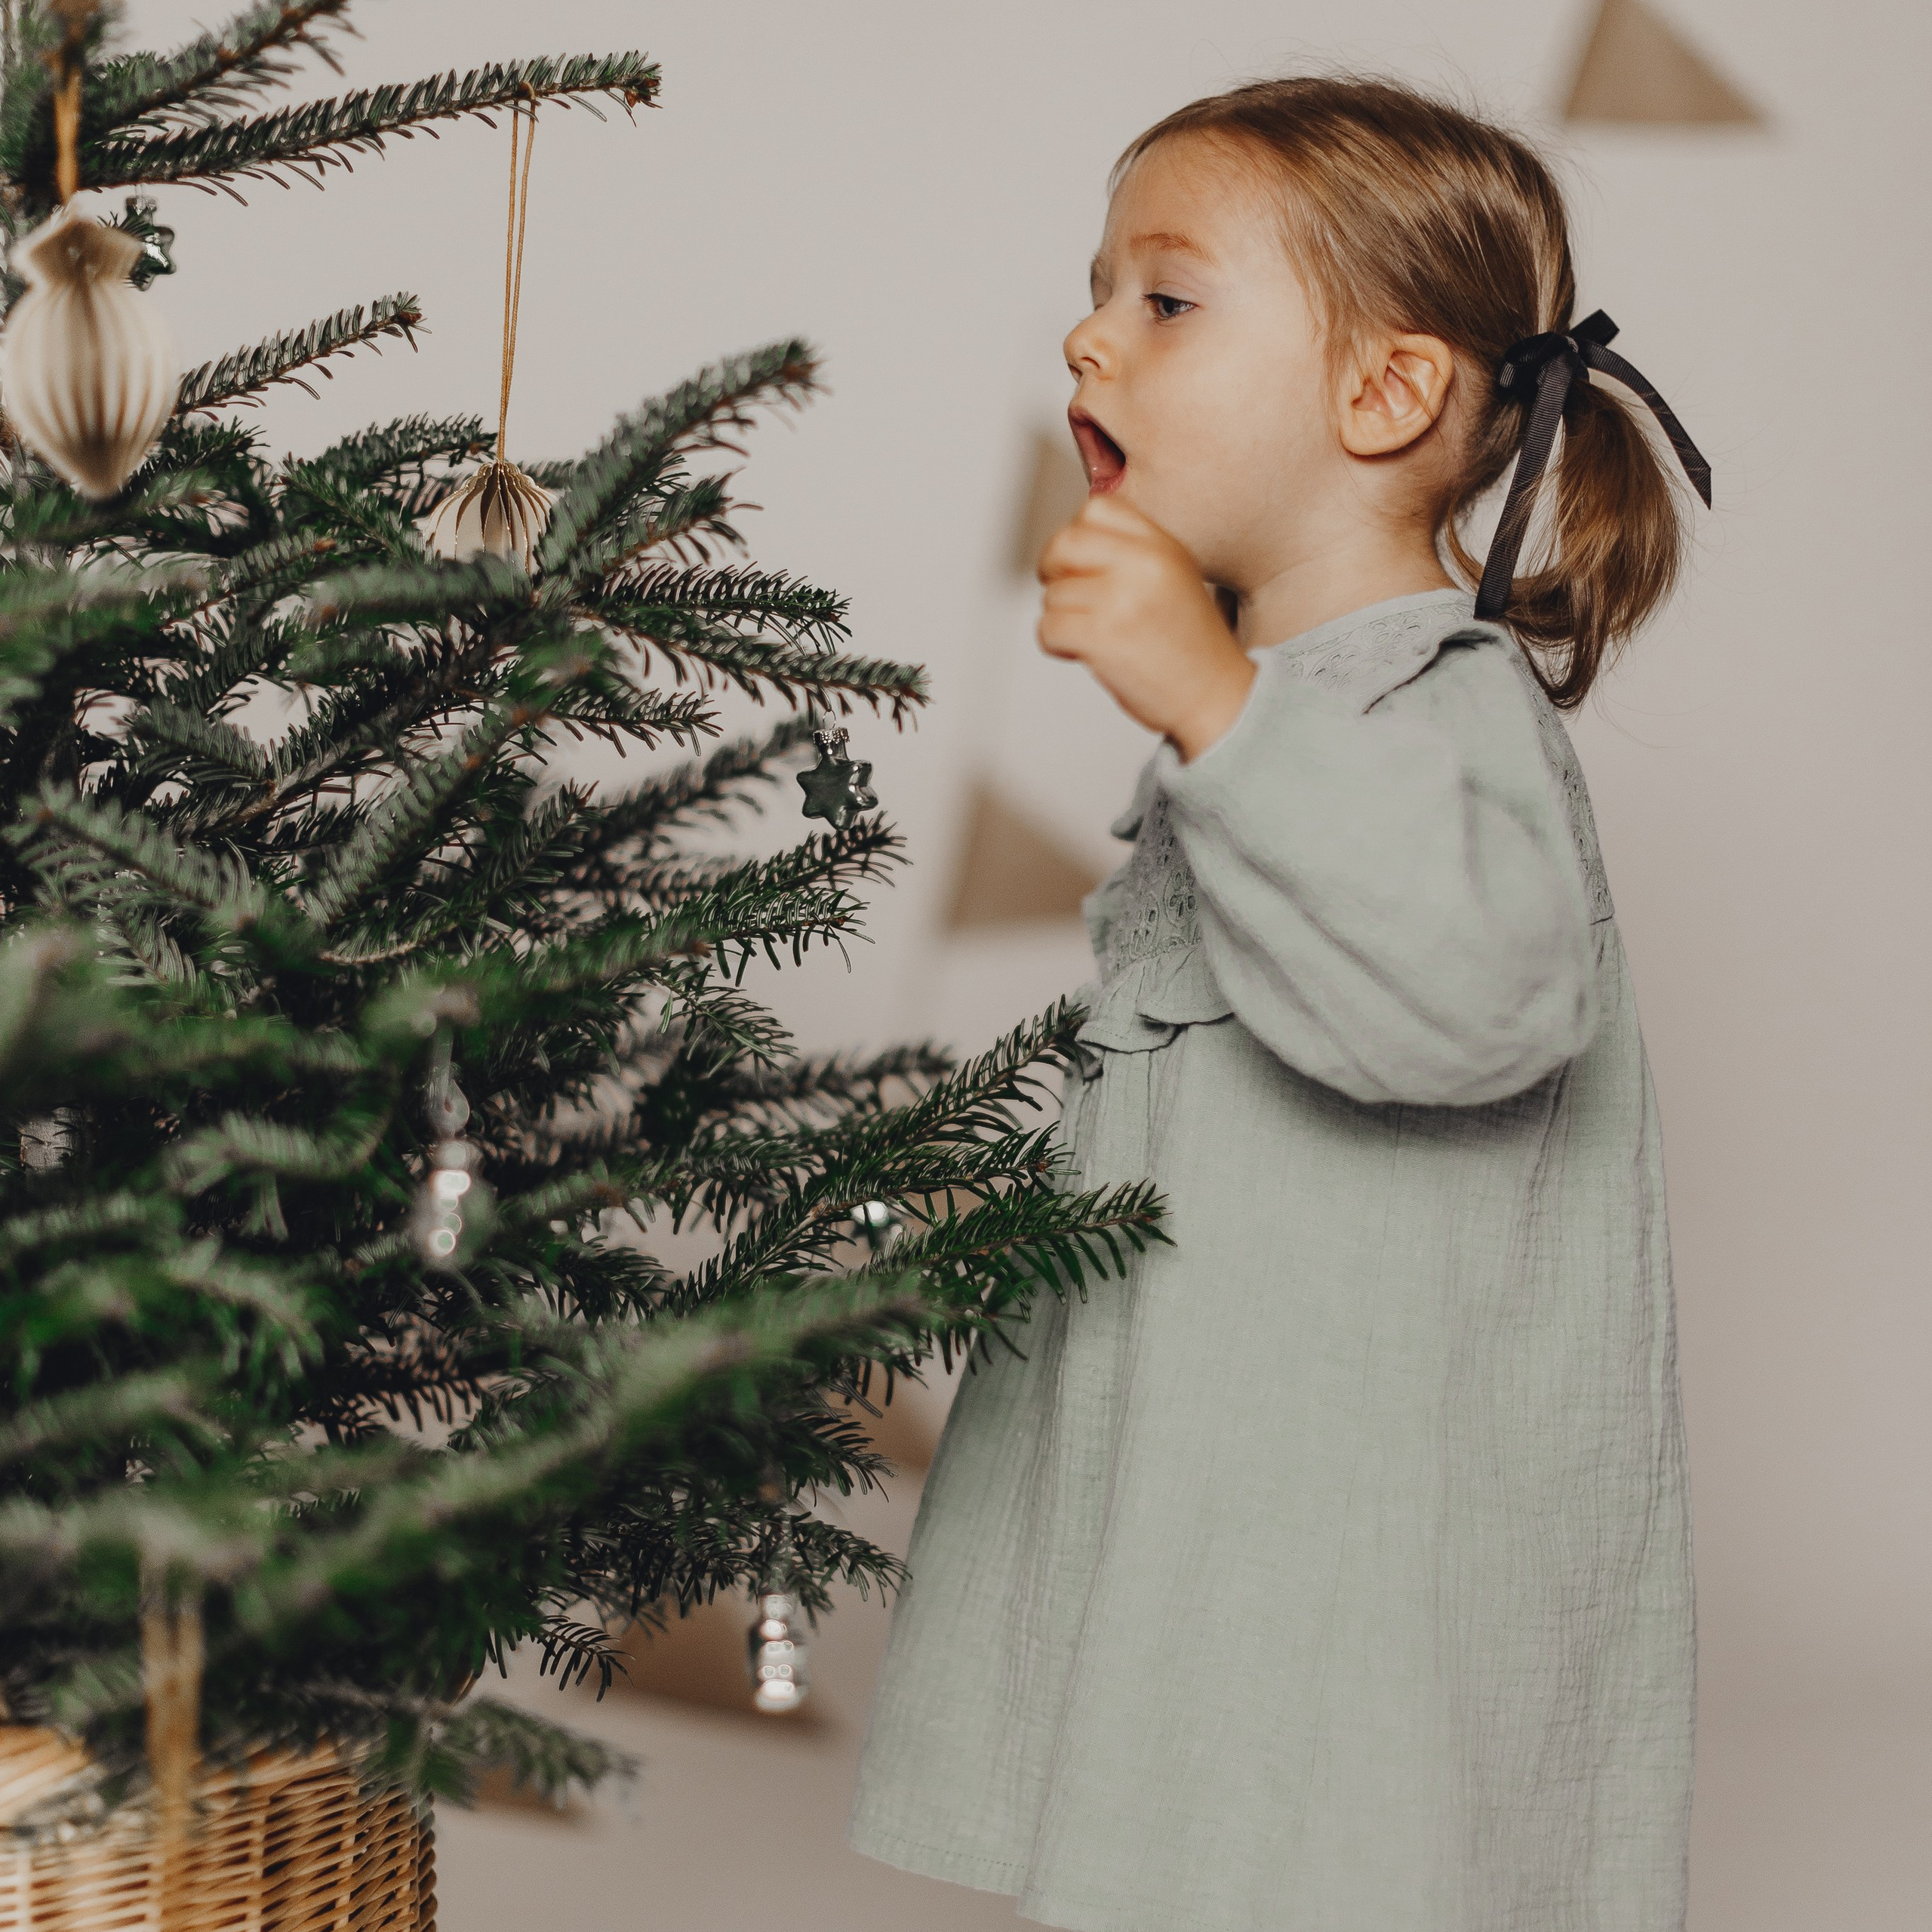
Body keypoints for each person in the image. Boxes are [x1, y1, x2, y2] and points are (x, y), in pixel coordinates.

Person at [849, 75, 1708, 1932]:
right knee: (1186, 1812)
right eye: (1094, 289)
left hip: (1361, 1520)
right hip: (1216, 1459)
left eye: (1163, 300)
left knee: (1329, 1833)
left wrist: (1212, 708)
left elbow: (1468, 1002)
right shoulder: (1283, 697)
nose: (1086, 333)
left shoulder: (1433, 697)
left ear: (1381, 394)